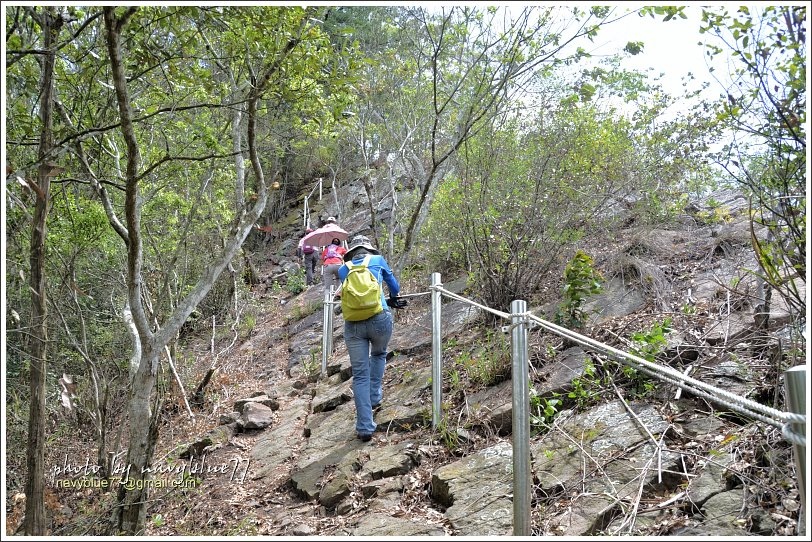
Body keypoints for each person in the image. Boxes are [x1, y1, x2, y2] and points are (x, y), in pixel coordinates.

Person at [337, 235, 400, 442]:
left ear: (352, 252)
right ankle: (375, 396)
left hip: (354, 324)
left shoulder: (343, 269)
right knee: (379, 353)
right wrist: (391, 298)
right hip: (379, 318)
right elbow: (395, 287)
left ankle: (364, 426)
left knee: (360, 375)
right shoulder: (378, 260)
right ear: (369, 250)